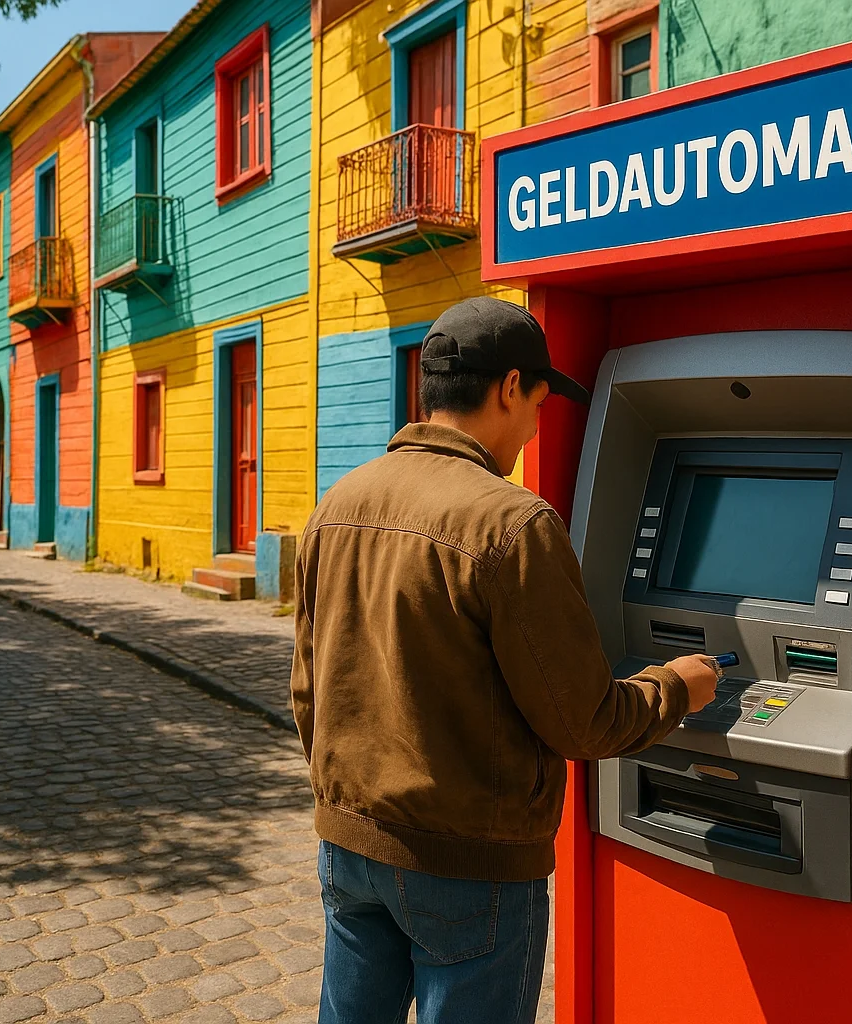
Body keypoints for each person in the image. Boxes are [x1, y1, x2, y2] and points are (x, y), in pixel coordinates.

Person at [291, 297, 721, 1023]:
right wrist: (677, 686)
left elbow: (308, 691)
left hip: (350, 848)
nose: (534, 426)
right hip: (471, 870)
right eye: (539, 405)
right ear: (509, 387)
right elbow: (583, 723)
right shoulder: (513, 522)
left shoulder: (338, 503)